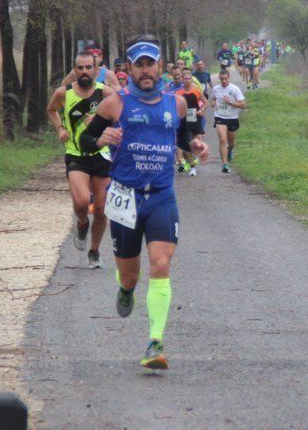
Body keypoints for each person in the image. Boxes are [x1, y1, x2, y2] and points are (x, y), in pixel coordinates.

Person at [81, 36, 209, 369]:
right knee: (129, 276)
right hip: (126, 197)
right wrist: (101, 138)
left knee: (162, 264)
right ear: (130, 69)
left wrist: (195, 145)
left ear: (160, 66)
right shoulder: (115, 104)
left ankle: (155, 342)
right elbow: (85, 140)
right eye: (139, 65)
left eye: (150, 63)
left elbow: (185, 134)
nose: (145, 70)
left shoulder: (177, 103)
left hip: (162, 196)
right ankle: (125, 290)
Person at [47, 51, 116, 269]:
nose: (84, 72)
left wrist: (101, 119)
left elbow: (123, 112)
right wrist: (59, 128)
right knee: (81, 202)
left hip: (100, 154)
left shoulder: (105, 92)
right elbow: (51, 110)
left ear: (97, 70)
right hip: (76, 154)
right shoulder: (64, 93)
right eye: (80, 68)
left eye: (88, 67)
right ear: (74, 70)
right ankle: (82, 223)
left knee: (102, 209)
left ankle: (94, 252)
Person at [211, 68, 246, 174]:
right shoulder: (216, 89)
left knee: (231, 143)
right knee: (222, 140)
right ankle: (225, 165)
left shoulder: (235, 89)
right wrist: (213, 103)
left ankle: (229, 151)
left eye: (226, 79)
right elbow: (213, 99)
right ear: (219, 79)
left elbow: (243, 105)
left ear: (229, 78)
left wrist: (230, 102)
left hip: (232, 118)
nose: (224, 81)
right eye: (222, 79)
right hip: (220, 117)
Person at [177, 68, 206, 176]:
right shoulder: (178, 93)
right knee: (188, 145)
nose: (187, 80)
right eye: (185, 78)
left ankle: (191, 161)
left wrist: (201, 109)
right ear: (182, 80)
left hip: (195, 119)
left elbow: (205, 102)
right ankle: (193, 167)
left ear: (192, 80)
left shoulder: (196, 90)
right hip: (185, 122)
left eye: (189, 78)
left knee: (198, 144)